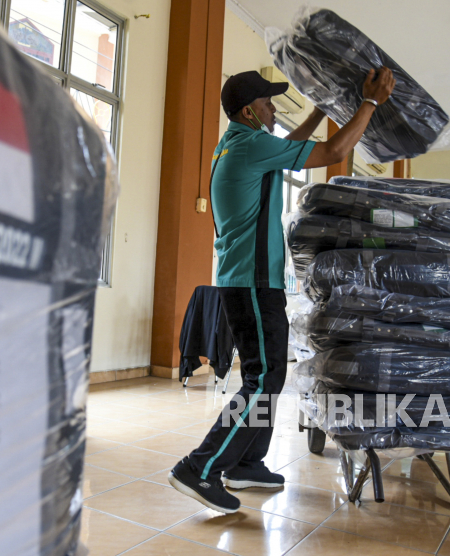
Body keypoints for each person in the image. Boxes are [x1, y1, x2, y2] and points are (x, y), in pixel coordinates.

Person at [167, 68, 395, 513]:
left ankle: (247, 462)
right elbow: (333, 150)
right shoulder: (251, 145)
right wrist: (370, 103)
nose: (274, 108)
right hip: (252, 281)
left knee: (270, 377)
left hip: (251, 279)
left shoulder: (240, 142)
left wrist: (320, 109)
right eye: (269, 103)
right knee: (262, 378)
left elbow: (292, 144)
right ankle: (200, 467)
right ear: (250, 111)